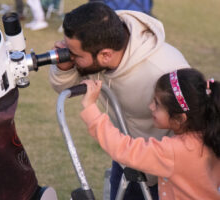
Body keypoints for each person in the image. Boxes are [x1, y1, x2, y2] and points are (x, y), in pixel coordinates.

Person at [49, 2, 190, 199]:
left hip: (166, 173)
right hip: (125, 158)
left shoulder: (164, 69)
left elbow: (196, 136)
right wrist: (63, 68)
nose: (70, 57)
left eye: (75, 55)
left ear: (106, 55)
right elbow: (66, 88)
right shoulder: (100, 44)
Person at [79, 68, 220, 199]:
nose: (150, 106)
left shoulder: (174, 151)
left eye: (157, 104)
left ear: (180, 118)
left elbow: (124, 149)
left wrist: (91, 109)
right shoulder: (212, 135)